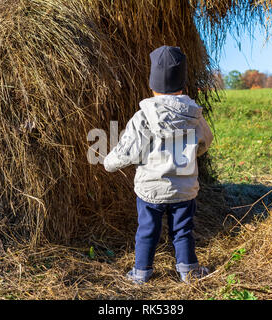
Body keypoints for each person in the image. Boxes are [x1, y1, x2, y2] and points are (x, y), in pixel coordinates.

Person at [104, 46, 214, 284]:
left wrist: (109, 162)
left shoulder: (143, 117)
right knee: (183, 231)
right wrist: (192, 151)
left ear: (152, 86)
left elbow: (128, 150)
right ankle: (188, 271)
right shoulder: (193, 114)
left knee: (147, 231)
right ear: (182, 85)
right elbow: (206, 140)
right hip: (184, 188)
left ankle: (141, 272)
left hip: (150, 188)